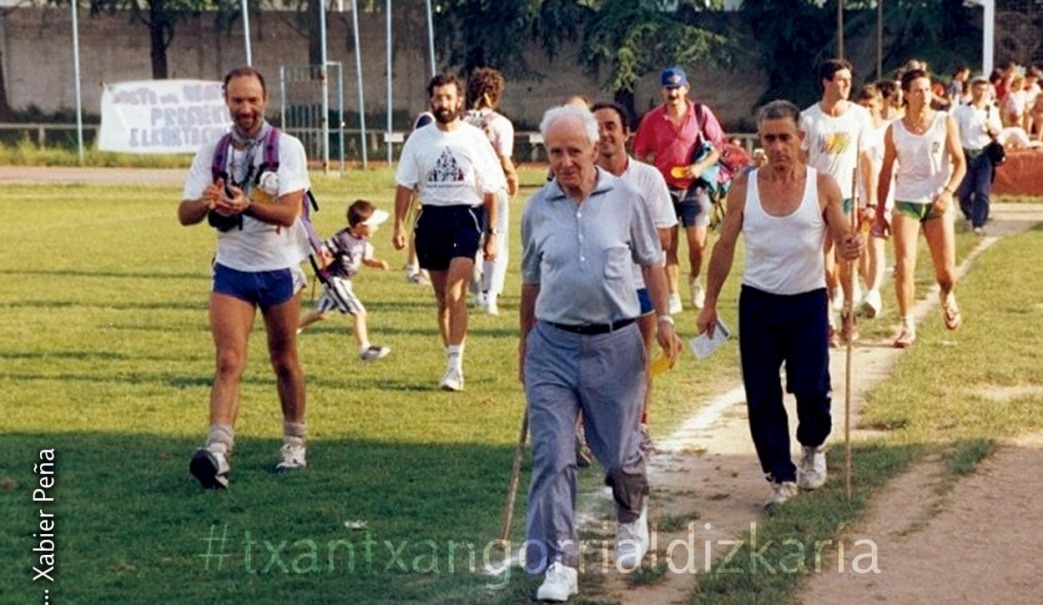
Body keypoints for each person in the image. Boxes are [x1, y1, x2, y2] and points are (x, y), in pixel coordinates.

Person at [520, 103, 680, 602]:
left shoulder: (626, 198)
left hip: (615, 344)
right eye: (555, 152)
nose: (565, 161)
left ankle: (632, 515)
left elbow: (652, 263)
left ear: (594, 148)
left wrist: (666, 318)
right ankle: (559, 564)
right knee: (553, 455)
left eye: (573, 150)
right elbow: (530, 281)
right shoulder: (538, 207)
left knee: (618, 454)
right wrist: (524, 341)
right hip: (552, 345)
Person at [696, 99, 865, 509]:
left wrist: (850, 243)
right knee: (762, 393)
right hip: (759, 303)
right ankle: (780, 474)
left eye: (785, 137)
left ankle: (812, 445)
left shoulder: (822, 184)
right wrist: (710, 302)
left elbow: (843, 232)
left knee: (811, 388)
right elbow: (725, 246)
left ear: (801, 139)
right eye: (769, 138)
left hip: (807, 302)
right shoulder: (744, 185)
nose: (777, 147)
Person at [178, 66, 313, 489]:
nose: (246, 108)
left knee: (284, 359)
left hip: (278, 268)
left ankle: (294, 441)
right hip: (233, 269)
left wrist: (245, 207)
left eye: (253, 100)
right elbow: (184, 214)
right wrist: (206, 203)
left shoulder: (287, 148)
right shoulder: (212, 152)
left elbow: (289, 212)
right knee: (228, 360)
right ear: (227, 102)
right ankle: (217, 451)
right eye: (238, 101)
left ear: (265, 101)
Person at [392, 73, 505, 392]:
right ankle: (449, 356)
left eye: (449, 97)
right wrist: (399, 224)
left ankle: (455, 368)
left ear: (459, 101)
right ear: (432, 101)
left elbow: (491, 189)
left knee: (456, 292)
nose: (444, 103)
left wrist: (492, 233)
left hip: (465, 216)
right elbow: (405, 185)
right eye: (438, 98)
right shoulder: (419, 139)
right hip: (431, 219)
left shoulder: (474, 139)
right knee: (442, 298)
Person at [592, 101, 677, 455]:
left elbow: (666, 237)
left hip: (639, 283)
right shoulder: (580, 178)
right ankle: (586, 430)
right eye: (597, 127)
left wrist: (619, 238)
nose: (604, 133)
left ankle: (639, 425)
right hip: (596, 286)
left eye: (611, 125)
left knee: (638, 360)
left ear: (626, 132)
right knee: (593, 360)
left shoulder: (647, 178)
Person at [876, 68, 967, 348]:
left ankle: (947, 295)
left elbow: (960, 163)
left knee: (947, 273)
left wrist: (948, 192)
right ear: (906, 94)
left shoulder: (944, 121)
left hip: (938, 201)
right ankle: (907, 325)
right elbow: (885, 172)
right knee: (904, 266)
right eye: (918, 90)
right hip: (906, 202)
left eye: (928, 90)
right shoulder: (894, 130)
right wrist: (880, 211)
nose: (925, 96)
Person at [633, 66, 727, 314]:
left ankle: (695, 280)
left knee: (698, 244)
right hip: (663, 188)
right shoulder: (652, 119)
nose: (673, 93)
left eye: (677, 88)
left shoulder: (700, 113)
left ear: (686, 88)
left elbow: (719, 146)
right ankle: (673, 293)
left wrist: (700, 167)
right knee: (668, 245)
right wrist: (647, 179)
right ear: (662, 90)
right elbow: (640, 153)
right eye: (668, 88)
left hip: (695, 188)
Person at [800, 58, 877, 346]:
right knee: (822, 263)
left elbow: (867, 160)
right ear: (826, 82)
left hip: (847, 197)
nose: (847, 85)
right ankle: (828, 316)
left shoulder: (859, 116)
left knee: (848, 261)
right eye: (841, 80)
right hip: (816, 200)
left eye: (849, 80)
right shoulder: (808, 119)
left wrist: (871, 201)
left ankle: (848, 315)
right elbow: (802, 161)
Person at [297, 200, 392, 360]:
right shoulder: (342, 239)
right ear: (361, 225)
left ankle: (288, 332)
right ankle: (365, 349)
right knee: (359, 312)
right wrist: (325, 261)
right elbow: (324, 251)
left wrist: (379, 264)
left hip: (345, 281)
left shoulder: (362, 241)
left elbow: (366, 259)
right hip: (335, 281)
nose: (377, 228)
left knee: (320, 314)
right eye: (373, 225)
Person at [464, 67, 519, 316]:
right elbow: (504, 159)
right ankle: (491, 296)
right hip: (493, 188)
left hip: (466, 188)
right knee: (496, 239)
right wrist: (512, 177)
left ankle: (476, 292)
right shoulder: (500, 123)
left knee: (469, 243)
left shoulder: (461, 121)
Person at [854, 84, 893, 318]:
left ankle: (874, 291)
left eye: (871, 105)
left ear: (880, 105)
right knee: (860, 248)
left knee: (875, 243)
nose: (868, 110)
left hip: (881, 198)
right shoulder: (856, 130)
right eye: (863, 106)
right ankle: (868, 288)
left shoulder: (888, 130)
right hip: (857, 196)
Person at [953, 76, 1003, 234]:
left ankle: (978, 222)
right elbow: (953, 131)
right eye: (978, 89)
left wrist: (992, 129)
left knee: (982, 191)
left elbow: (998, 131)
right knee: (964, 193)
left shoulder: (991, 110)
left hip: (985, 153)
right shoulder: (961, 111)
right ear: (972, 90)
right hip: (966, 154)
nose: (981, 93)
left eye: (984, 90)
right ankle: (971, 214)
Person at [403, 111, 435, 286]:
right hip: (423, 190)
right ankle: (415, 269)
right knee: (420, 229)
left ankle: (419, 267)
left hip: (431, 189)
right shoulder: (426, 125)